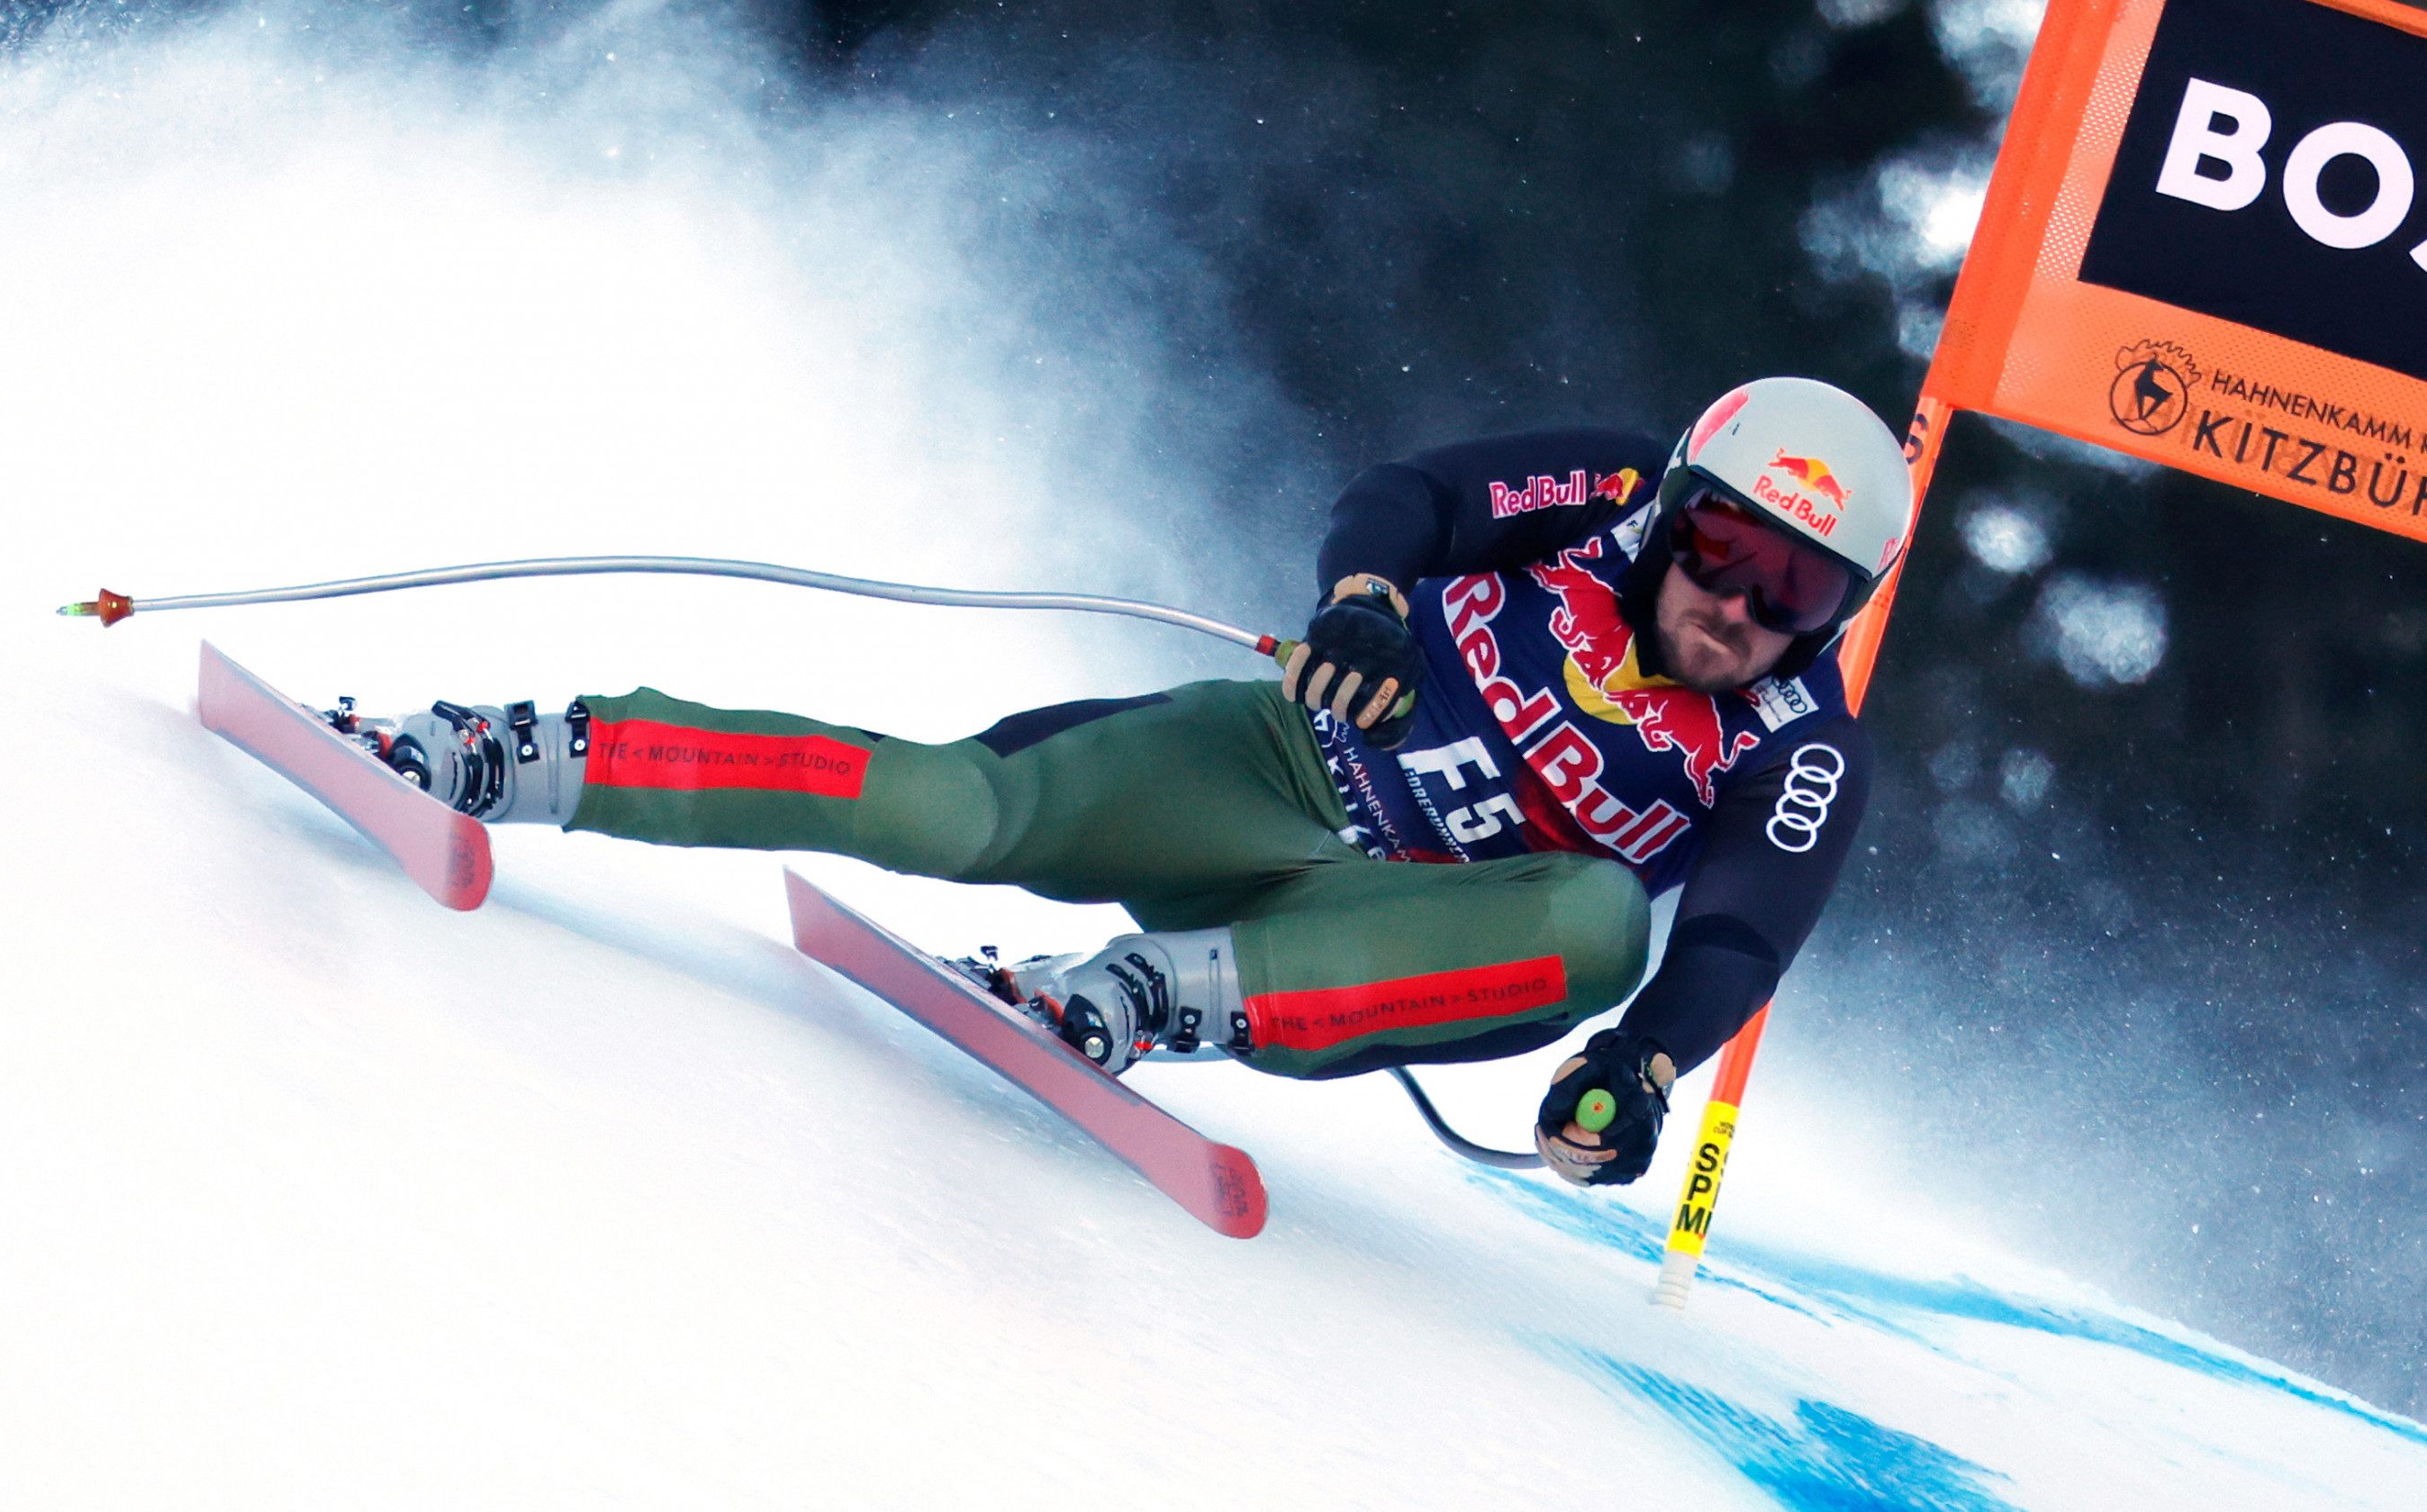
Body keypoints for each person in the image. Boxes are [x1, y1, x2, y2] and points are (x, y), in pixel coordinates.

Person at [336, 376, 1910, 1185]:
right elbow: (1415, 496)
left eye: (1802, 594)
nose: (1742, 610)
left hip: (1380, 933)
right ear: (1675, 510)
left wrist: (1638, 1074)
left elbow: (1739, 938)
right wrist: (1363, 601)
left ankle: (1166, 995)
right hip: (1267, 766)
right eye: (1725, 550)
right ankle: (530, 752)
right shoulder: (1607, 489)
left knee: (1598, 928)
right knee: (958, 809)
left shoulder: (1797, 744)